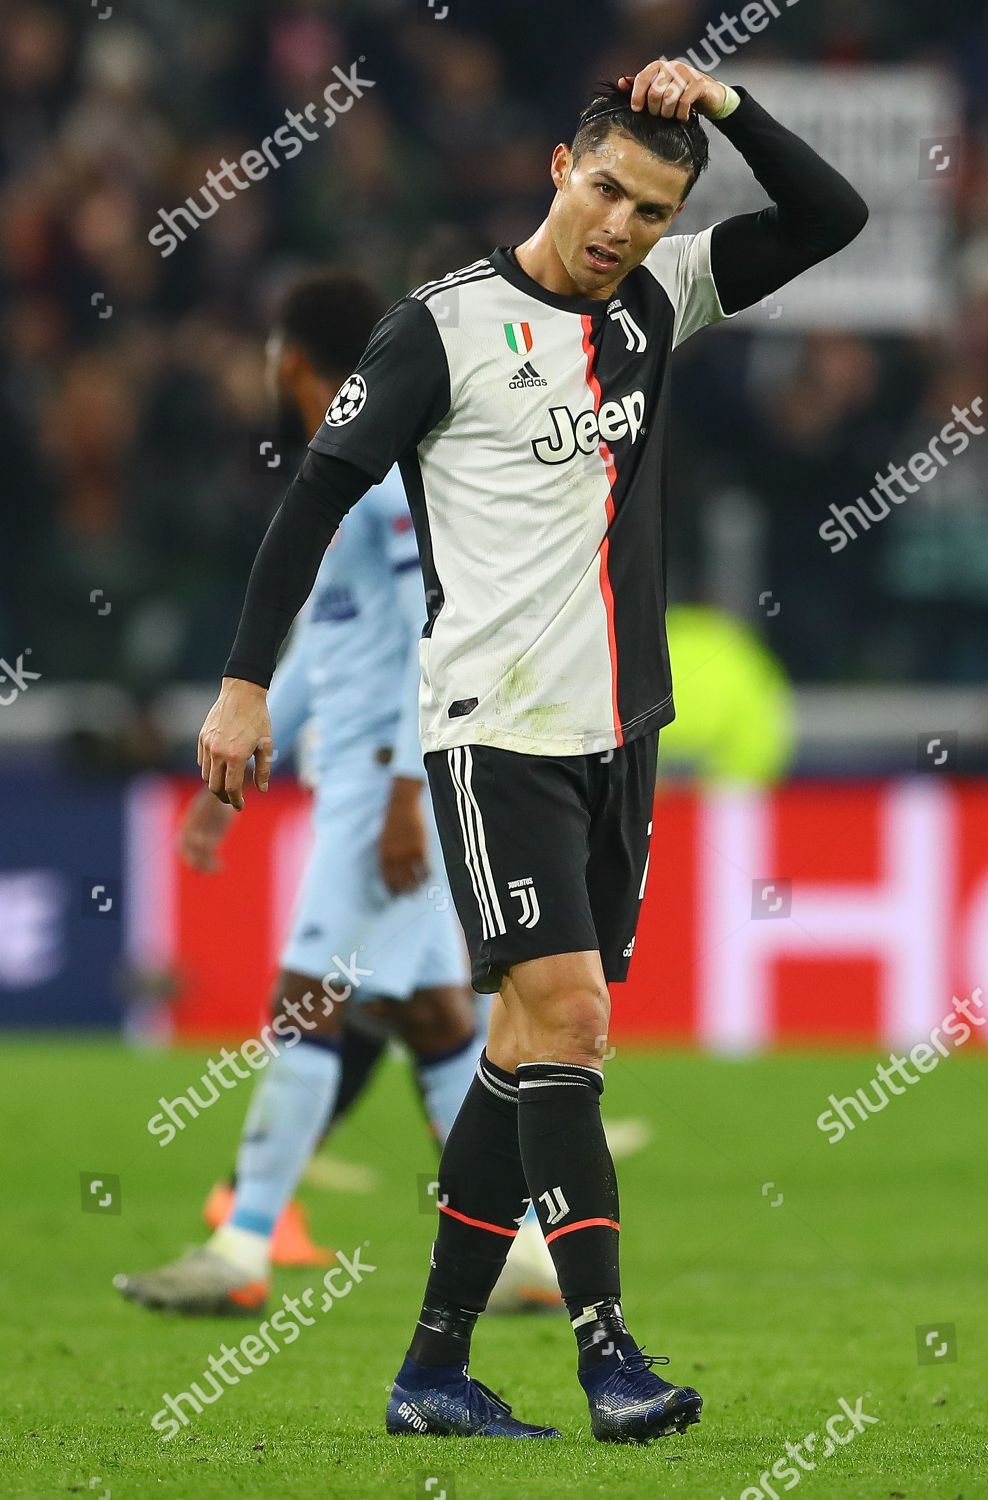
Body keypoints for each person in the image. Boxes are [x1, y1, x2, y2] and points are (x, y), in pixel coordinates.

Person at [196, 59, 867, 1441]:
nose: (621, 224)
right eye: (606, 189)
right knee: (570, 1021)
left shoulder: (657, 300)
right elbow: (314, 495)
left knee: (519, 1050)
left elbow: (832, 216)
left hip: (615, 735)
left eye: (652, 205)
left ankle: (431, 1372)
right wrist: (244, 688)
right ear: (558, 171)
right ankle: (607, 1353)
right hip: (488, 731)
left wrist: (731, 110)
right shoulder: (438, 329)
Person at [115, 271, 558, 1316]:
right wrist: (235, 769)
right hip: (375, 779)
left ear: (297, 359)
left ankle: (241, 1249)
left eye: (273, 352)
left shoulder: (395, 473)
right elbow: (333, 630)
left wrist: (408, 790)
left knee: (305, 1003)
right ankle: (531, 1253)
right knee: (434, 1019)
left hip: (381, 783)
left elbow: (429, 630)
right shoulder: (356, 467)